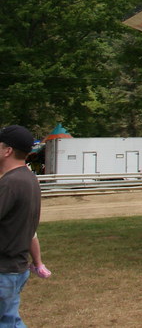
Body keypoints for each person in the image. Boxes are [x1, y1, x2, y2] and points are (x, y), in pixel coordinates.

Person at [0, 125, 42, 325]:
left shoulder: (10, 183)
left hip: (4, 270)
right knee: (10, 320)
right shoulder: (29, 178)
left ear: (7, 151)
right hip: (16, 267)